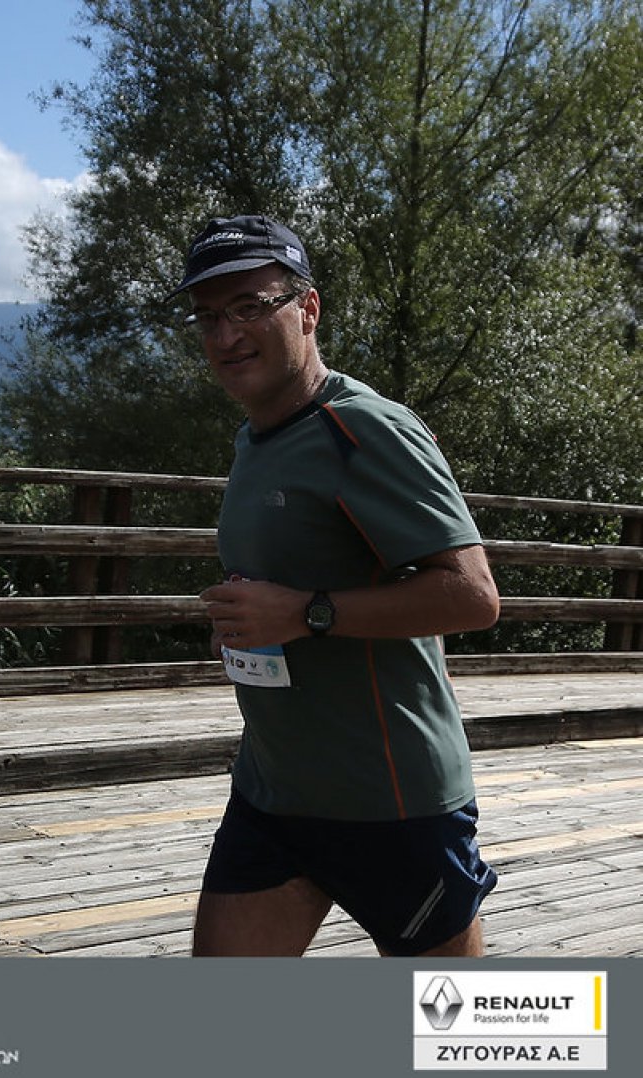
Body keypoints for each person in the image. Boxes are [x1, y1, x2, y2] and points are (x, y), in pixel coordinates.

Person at [178, 215, 501, 957]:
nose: (226, 334)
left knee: (453, 1022)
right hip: (273, 789)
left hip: (390, 799)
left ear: (308, 309)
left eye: (250, 306)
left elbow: (472, 596)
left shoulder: (364, 429)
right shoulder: (256, 436)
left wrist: (307, 613)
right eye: (208, 315)